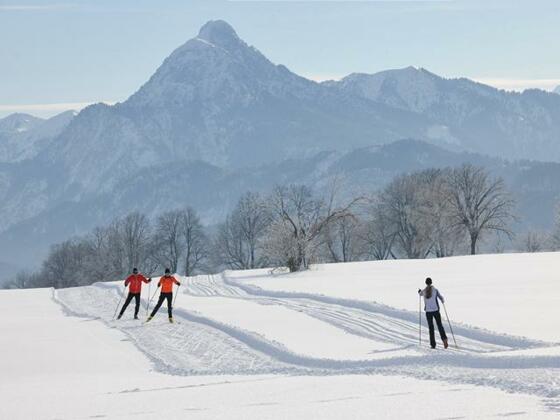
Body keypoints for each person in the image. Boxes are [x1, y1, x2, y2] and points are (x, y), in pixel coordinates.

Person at [418, 277, 448, 349]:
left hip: (428, 312)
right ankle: (444, 340)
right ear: (431, 282)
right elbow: (441, 298)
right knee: (439, 325)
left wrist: (419, 291)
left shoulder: (424, 291)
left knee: (431, 328)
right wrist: (442, 301)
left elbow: (420, 294)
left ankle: (433, 344)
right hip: (436, 311)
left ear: (426, 283)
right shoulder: (435, 290)